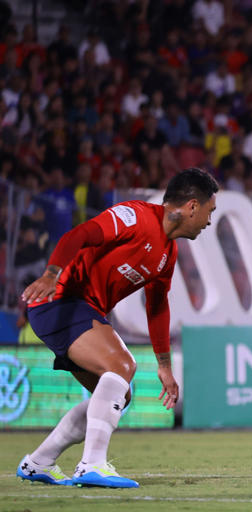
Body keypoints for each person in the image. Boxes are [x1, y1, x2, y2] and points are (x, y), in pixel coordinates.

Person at [17, 168, 219, 488]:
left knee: (119, 393)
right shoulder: (134, 217)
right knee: (121, 365)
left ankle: (39, 461)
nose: (209, 221)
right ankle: (92, 464)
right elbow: (79, 235)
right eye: (210, 211)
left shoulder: (167, 254)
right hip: (60, 300)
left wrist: (164, 366)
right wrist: (52, 273)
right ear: (192, 206)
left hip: (80, 309)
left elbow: (157, 307)